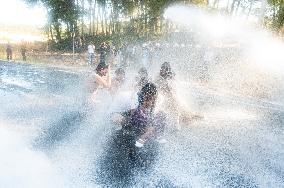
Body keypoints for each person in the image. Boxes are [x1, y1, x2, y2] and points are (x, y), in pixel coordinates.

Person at [112, 83, 167, 148]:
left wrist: (144, 136)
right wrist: (122, 120)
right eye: (144, 99)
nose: (146, 102)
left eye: (149, 99)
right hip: (130, 137)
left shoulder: (158, 113)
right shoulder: (134, 109)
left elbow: (154, 129)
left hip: (144, 142)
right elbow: (114, 117)